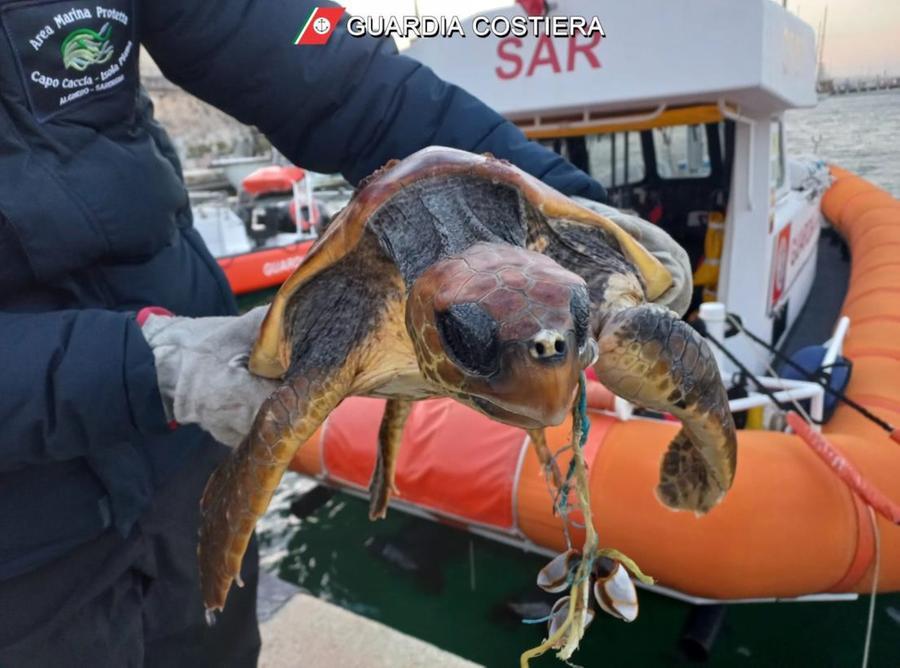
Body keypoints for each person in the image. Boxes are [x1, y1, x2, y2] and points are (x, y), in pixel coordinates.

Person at [0, 0, 689, 665]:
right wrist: (144, 365)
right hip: (24, 531)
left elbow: (344, 77)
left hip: (181, 448)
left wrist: (568, 207)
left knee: (217, 640)